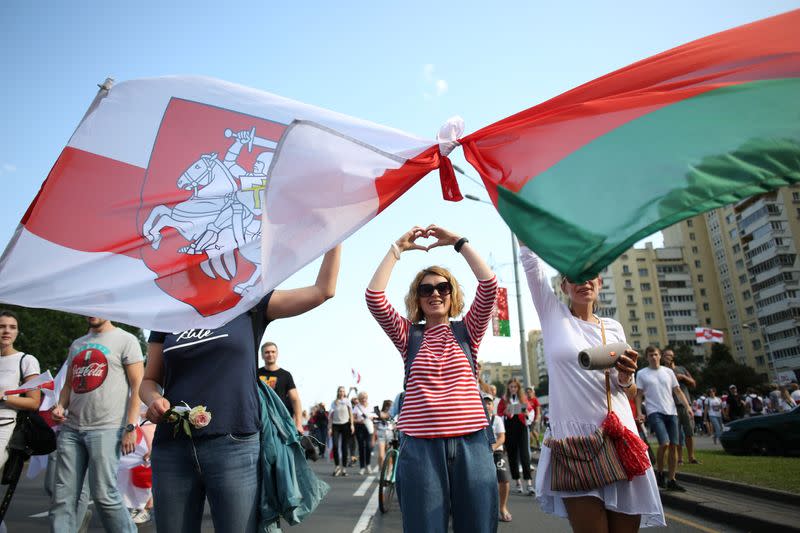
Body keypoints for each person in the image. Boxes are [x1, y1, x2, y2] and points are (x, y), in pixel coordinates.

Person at [140, 245, 341, 533]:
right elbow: (149, 380)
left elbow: (323, 290)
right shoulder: (167, 313)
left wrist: (335, 234)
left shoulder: (248, 302)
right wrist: (154, 399)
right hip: (173, 448)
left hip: (234, 446)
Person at [519, 242, 664, 531]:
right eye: (574, 277)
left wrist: (626, 378)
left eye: (590, 277)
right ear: (563, 286)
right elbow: (531, 263)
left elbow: (627, 390)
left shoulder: (613, 328)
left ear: (599, 283)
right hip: (575, 444)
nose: (583, 282)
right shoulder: (553, 316)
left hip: (619, 436)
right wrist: (515, 209)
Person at [366, 225, 498, 533]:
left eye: (442, 287)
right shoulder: (408, 335)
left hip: (472, 445)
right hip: (421, 450)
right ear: (418, 298)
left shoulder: (468, 331)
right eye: (426, 289)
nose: (435, 293)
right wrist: (396, 250)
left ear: (452, 294)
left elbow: (489, 285)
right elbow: (374, 297)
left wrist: (457, 242)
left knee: (479, 526)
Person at [50, 316, 144, 533]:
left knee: (104, 495)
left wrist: (131, 427)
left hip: (107, 428)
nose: (92, 313)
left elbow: (138, 385)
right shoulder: (77, 344)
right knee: (62, 498)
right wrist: (60, 406)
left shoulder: (126, 340)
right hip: (72, 428)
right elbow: (68, 385)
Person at [0, 310, 43, 533]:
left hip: (6, 428)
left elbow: (34, 402)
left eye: (12, 327)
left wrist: (6, 396)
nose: (6, 331)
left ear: (17, 332)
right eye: (2, 326)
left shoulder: (25, 360)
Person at [636, 346, 691, 491]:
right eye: (650, 355)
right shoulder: (642, 373)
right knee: (664, 443)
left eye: (655, 354)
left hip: (671, 411)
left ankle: (672, 479)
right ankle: (660, 473)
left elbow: (677, 390)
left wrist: (688, 407)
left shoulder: (668, 372)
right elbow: (639, 394)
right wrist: (639, 412)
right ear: (646, 357)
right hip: (654, 412)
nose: (653, 357)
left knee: (674, 445)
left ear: (660, 356)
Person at [257, 342, 304, 434]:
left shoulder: (285, 375)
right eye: (267, 352)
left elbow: (295, 400)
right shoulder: (256, 374)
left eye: (273, 352)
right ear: (262, 355)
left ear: (277, 354)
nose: (270, 354)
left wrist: (298, 424)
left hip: (280, 421)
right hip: (260, 419)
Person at [661, 349, 698, 465]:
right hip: (670, 406)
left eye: (671, 355)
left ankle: (692, 457)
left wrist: (683, 377)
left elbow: (693, 383)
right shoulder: (661, 371)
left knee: (689, 431)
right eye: (667, 355)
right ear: (662, 357)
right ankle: (680, 458)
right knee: (676, 434)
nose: (669, 357)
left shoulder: (681, 369)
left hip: (685, 404)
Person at [497, 378, 533, 495]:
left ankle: (529, 483)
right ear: (508, 387)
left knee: (524, 455)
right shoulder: (504, 400)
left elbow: (530, 412)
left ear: (518, 388)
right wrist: (506, 414)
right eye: (511, 387)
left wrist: (527, 415)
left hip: (522, 428)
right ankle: (518, 482)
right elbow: (499, 414)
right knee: (513, 456)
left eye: (515, 387)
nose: (513, 389)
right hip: (510, 429)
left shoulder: (524, 399)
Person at [485, 395, 511, 523]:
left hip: (496, 453)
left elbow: (502, 438)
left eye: (489, 403)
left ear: (492, 406)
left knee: (504, 480)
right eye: (484, 403)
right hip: (481, 454)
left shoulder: (497, 420)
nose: (487, 405)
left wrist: (492, 448)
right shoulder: (475, 419)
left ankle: (502, 507)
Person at [328, 385, 354, 476]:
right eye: (340, 391)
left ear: (345, 392)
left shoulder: (347, 401)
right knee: (335, 446)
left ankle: (344, 468)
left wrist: (352, 425)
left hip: (345, 425)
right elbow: (330, 415)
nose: (341, 393)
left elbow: (351, 413)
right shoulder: (334, 402)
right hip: (335, 425)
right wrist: (330, 427)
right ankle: (337, 466)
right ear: (337, 392)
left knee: (344, 447)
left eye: (343, 391)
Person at [352, 391, 374, 475]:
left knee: (368, 446)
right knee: (361, 447)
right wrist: (358, 420)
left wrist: (372, 418)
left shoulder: (370, 406)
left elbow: (374, 417)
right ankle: (362, 467)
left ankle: (368, 465)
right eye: (362, 398)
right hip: (359, 427)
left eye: (365, 397)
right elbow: (353, 419)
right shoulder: (357, 407)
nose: (364, 399)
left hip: (368, 427)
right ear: (360, 399)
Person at [374, 399, 395, 471]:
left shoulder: (393, 415)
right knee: (381, 455)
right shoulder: (379, 414)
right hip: (381, 434)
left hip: (390, 434)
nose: (389, 408)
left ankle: (389, 471)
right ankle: (381, 471)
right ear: (385, 406)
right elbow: (375, 426)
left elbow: (395, 425)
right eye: (388, 406)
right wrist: (373, 438)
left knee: (389, 455)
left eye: (391, 406)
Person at [526, 386, 542, 451]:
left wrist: (537, 418)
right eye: (527, 392)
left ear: (533, 392)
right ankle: (531, 445)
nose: (528, 393)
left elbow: (538, 410)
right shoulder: (526, 400)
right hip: (529, 419)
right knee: (530, 433)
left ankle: (538, 443)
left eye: (530, 392)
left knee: (533, 430)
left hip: (535, 418)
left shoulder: (535, 399)